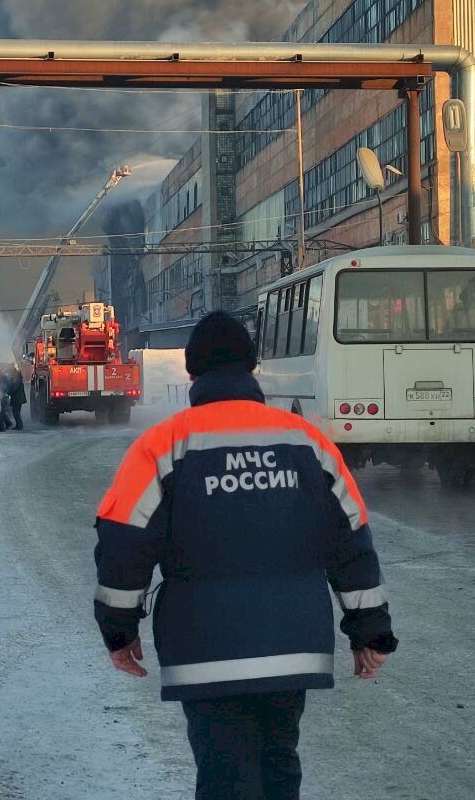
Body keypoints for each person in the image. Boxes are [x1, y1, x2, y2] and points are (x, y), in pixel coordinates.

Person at [93, 311, 396, 800]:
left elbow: (124, 542)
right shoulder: (308, 441)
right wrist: (371, 631)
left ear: (192, 373)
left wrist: (119, 630)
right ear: (253, 368)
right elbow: (351, 541)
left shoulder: (163, 446)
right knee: (279, 765)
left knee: (224, 774)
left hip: (205, 649)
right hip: (293, 644)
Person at [7, 363, 27, 431]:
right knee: (16, 412)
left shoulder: (16, 376)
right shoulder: (16, 375)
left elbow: (15, 387)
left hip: (17, 398)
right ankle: (19, 425)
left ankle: (19, 426)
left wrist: (9, 392)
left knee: (16, 412)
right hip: (18, 397)